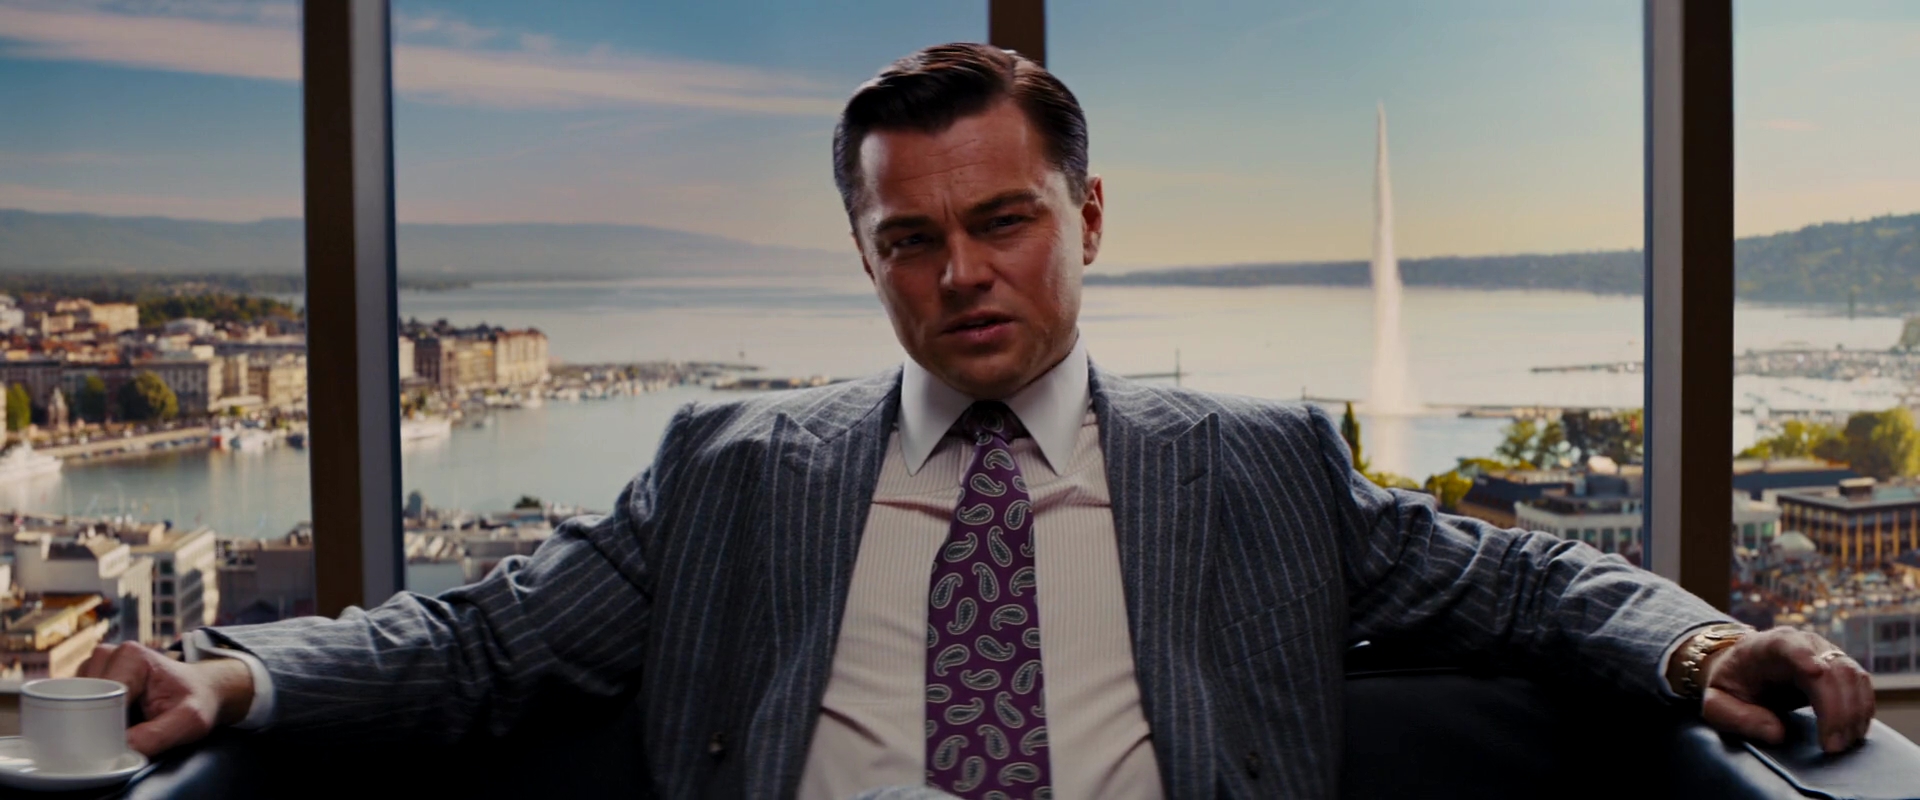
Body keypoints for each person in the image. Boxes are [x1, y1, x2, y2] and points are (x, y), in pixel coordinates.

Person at [81, 43, 1873, 799]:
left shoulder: (1256, 458)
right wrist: (233, 681)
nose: (961, 275)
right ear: (866, 255)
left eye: (1004, 221)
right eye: (911, 240)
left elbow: (1524, 583)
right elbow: (483, 639)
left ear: (1086, 217)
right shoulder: (735, 465)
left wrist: (1701, 642)